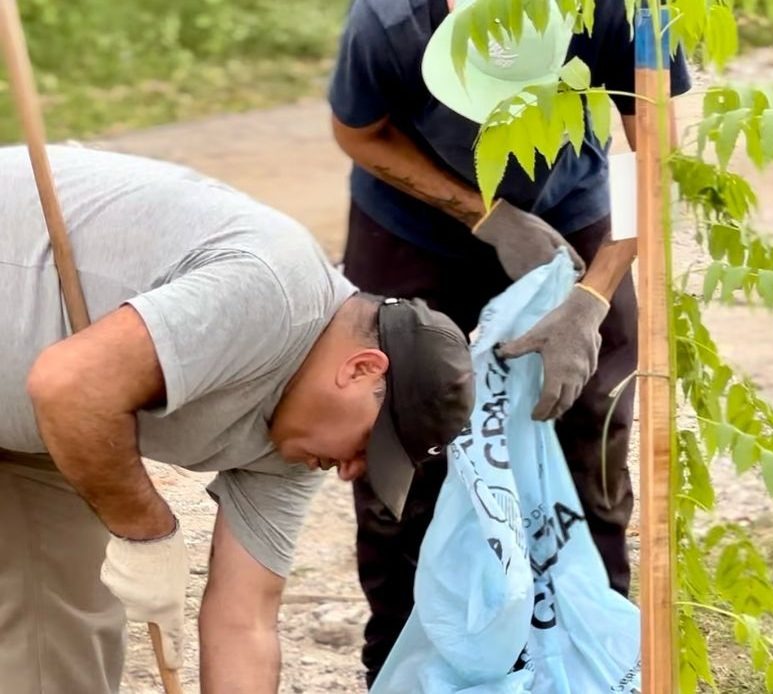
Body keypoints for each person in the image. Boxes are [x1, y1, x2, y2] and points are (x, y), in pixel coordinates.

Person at [0, 144, 474, 694]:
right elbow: (68, 385)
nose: (350, 471)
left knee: (59, 640)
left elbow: (243, 621)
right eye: (368, 445)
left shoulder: (299, 444)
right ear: (361, 369)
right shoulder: (273, 292)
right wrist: (145, 529)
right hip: (55, 373)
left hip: (55, 424)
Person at [328, 0, 691, 684]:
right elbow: (359, 132)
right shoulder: (389, 21)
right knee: (400, 435)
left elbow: (657, 159)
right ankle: (403, 664)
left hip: (571, 210)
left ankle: (591, 664)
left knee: (591, 422)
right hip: (409, 224)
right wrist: (488, 218)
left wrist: (592, 296)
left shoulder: (624, 10)